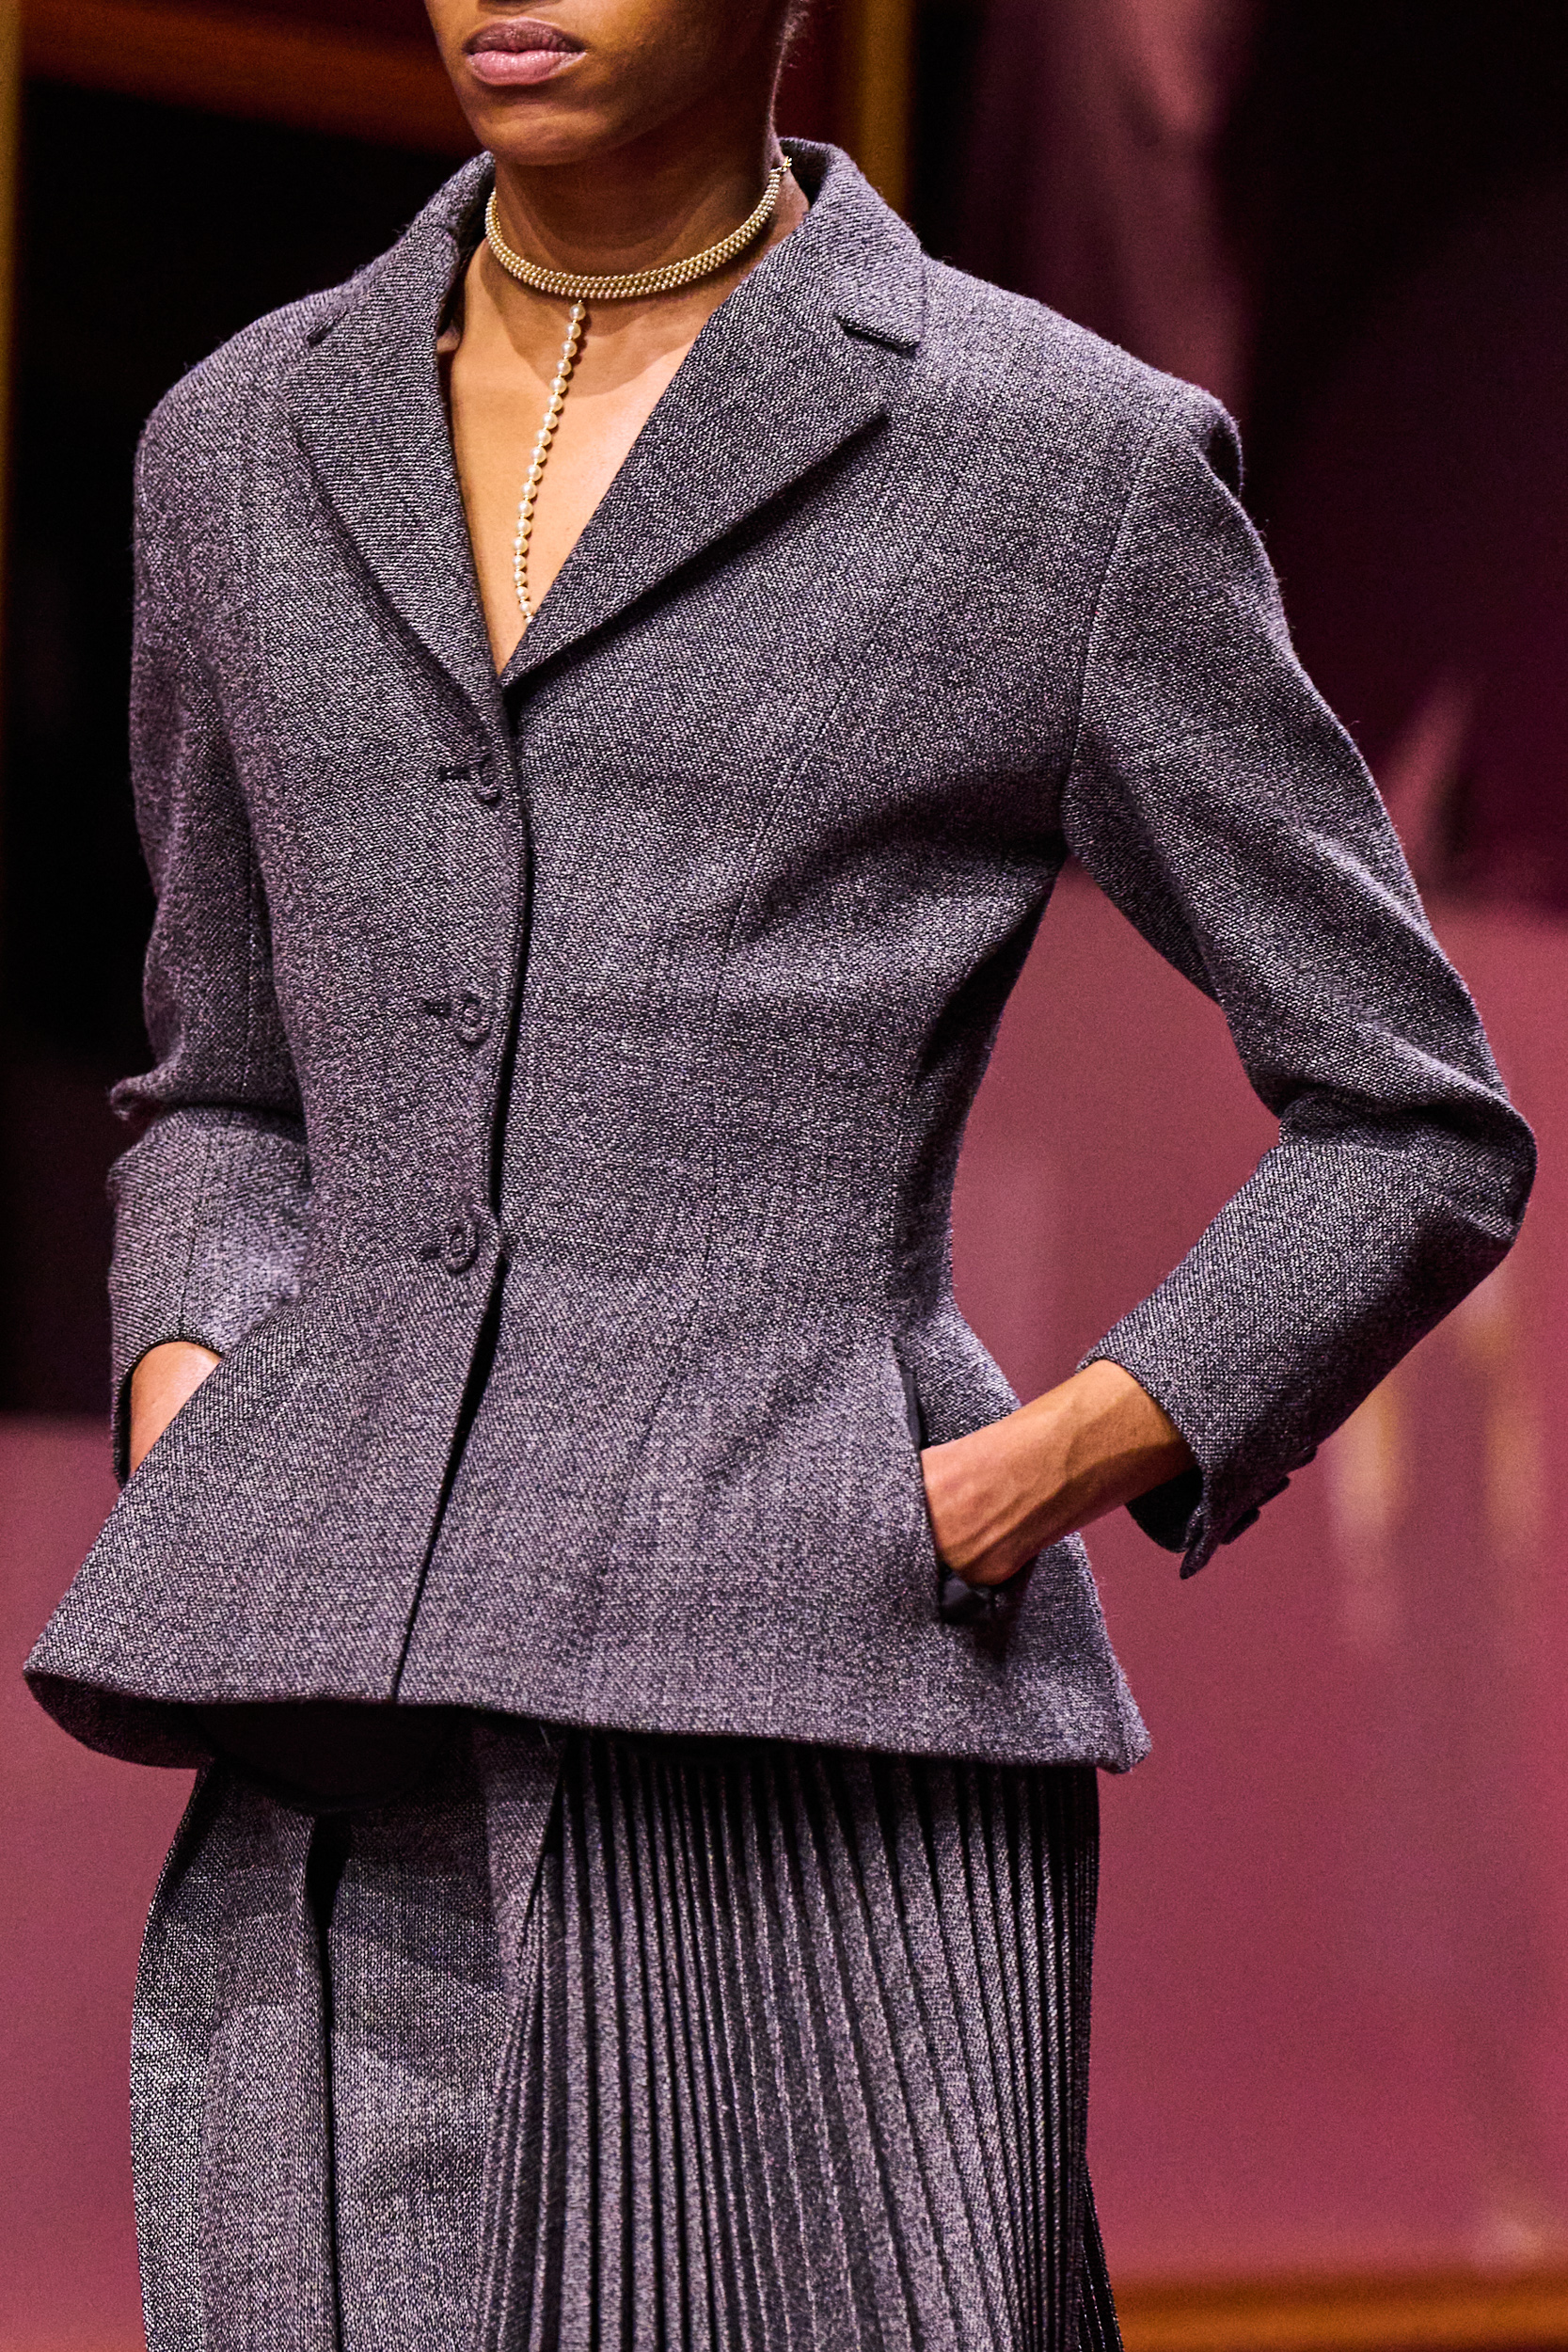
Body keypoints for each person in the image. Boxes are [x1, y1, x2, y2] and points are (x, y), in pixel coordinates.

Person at [26, 1, 1533, 2344]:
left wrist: (1021, 1474)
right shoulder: (240, 441)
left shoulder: (1055, 459)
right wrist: (195, 1389)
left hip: (819, 1739)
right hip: (337, 1748)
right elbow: (226, 1082)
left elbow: (1410, 1110)